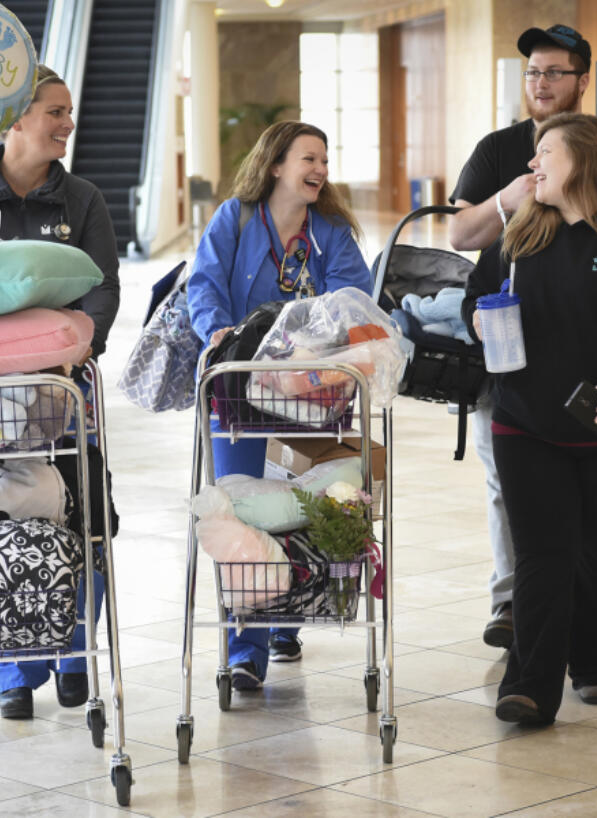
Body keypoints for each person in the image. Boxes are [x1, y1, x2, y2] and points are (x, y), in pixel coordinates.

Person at [446, 24, 597, 651]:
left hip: (595, 370)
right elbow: (461, 236)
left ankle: (583, 636)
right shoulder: (498, 150)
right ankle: (515, 604)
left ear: (581, 80)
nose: (540, 84)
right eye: (532, 73)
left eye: (553, 73)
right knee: (510, 489)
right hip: (513, 356)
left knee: (592, 523)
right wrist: (507, 200)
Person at [0, 64, 120, 720]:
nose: (68, 124)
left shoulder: (83, 202)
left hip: (64, 393)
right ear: (15, 118)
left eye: (68, 111)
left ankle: (74, 650)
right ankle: (12, 668)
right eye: (55, 111)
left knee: (81, 519)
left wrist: (78, 344)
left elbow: (104, 287)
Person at [187, 120, 372, 692]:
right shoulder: (235, 221)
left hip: (312, 396)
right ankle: (246, 648)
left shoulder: (332, 233)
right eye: (308, 159)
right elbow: (204, 285)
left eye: (324, 160)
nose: (319, 170)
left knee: (305, 503)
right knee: (237, 510)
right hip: (240, 392)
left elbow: (352, 301)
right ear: (275, 165)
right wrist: (217, 333)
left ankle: (288, 612)